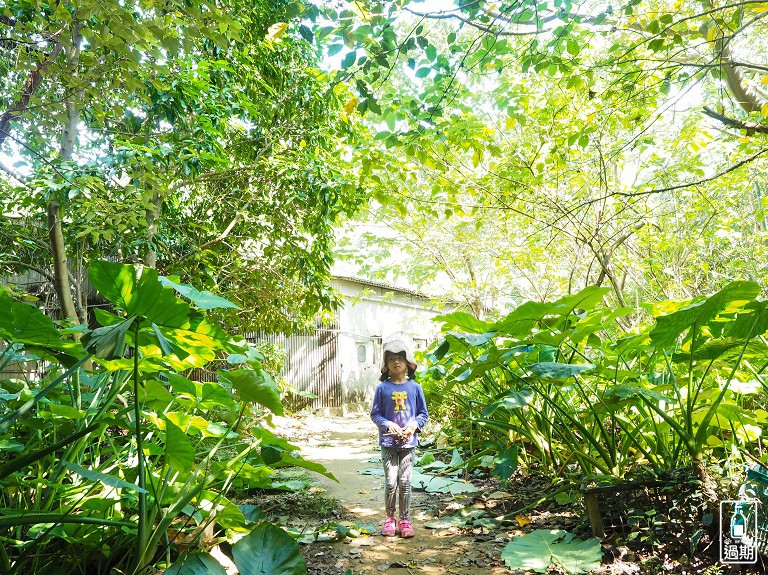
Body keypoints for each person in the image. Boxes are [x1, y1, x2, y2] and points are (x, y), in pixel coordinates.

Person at [370, 340, 428, 538]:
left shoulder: (415, 388)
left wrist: (413, 426)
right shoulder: (382, 389)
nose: (396, 362)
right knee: (391, 481)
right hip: (388, 442)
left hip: (408, 443)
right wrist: (388, 424)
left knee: (405, 481)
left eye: (400, 358)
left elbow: (423, 414)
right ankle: (389, 518)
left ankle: (404, 519)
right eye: (392, 358)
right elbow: (375, 415)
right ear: (386, 365)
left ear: (407, 363)